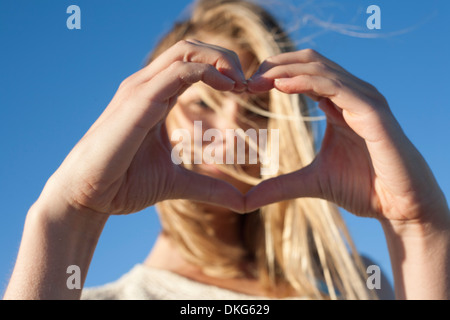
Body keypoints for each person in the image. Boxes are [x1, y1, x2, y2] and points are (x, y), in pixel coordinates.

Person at [3, 0, 449, 300]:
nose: (233, 127)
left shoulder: (352, 283)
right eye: (202, 102)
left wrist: (418, 227)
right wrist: (69, 214)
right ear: (153, 121)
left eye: (257, 107)